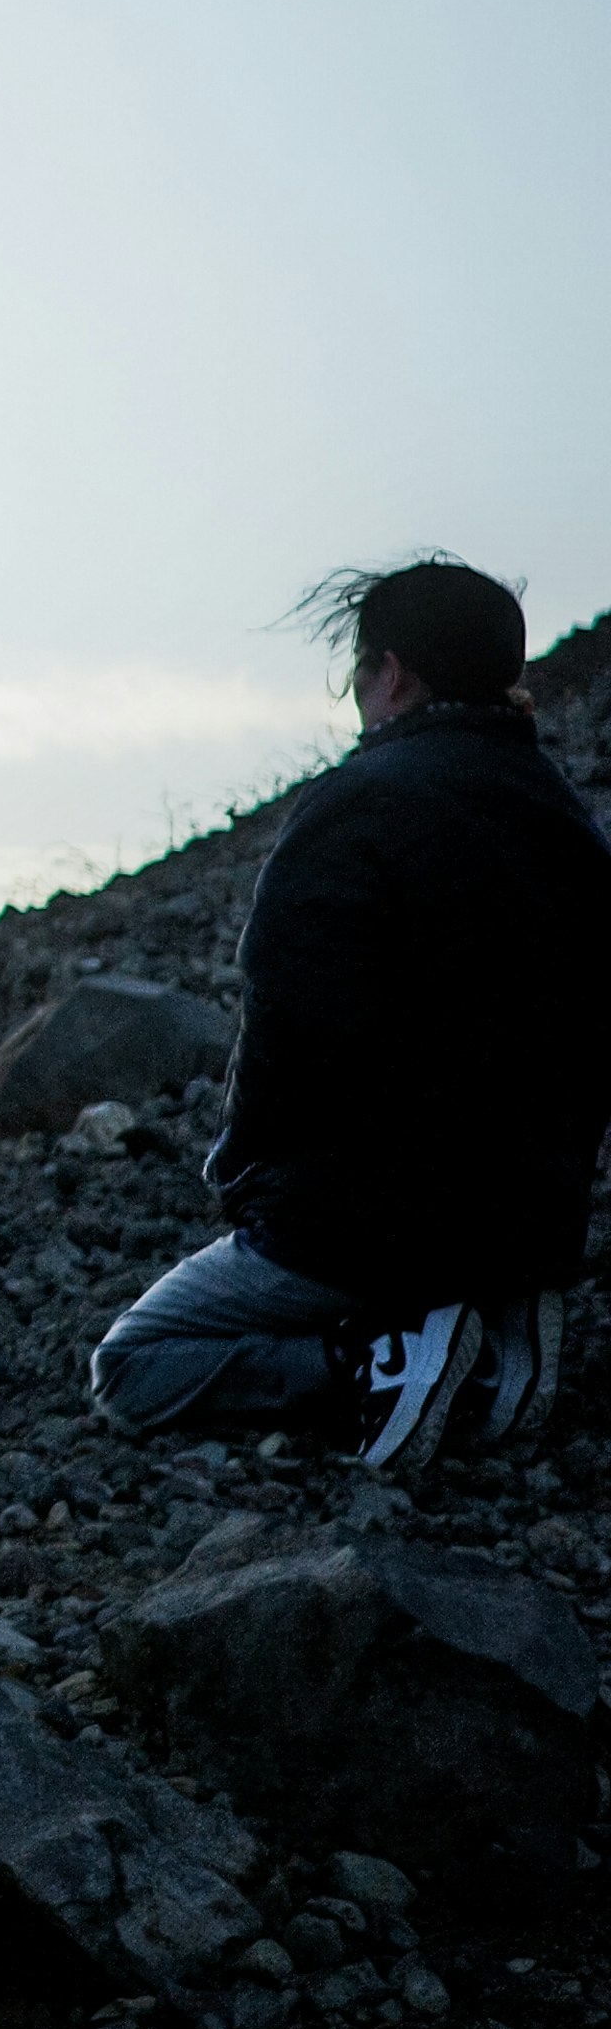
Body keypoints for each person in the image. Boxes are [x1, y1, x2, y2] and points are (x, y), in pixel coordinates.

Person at [89, 559, 611, 1472]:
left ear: (393, 672)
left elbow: (291, 1029)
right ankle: (489, 1329)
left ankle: (377, 1362)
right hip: (536, 1216)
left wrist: (240, 1168)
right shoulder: (566, 818)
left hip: (372, 1228)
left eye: (358, 673)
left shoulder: (356, 806)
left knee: (132, 1366)